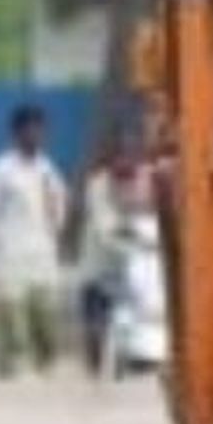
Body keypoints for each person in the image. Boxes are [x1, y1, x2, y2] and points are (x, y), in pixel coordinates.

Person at [0, 106, 68, 377]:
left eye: (40, 130)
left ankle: (46, 367)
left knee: (45, 319)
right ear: (16, 134)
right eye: (28, 130)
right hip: (8, 258)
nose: (35, 136)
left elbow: (59, 211)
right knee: (11, 318)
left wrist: (56, 226)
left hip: (42, 257)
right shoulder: (1, 170)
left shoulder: (48, 169)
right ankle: (9, 373)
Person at [78, 136, 155, 374]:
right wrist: (140, 236)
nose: (127, 164)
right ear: (111, 161)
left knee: (131, 327)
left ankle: (127, 364)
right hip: (98, 266)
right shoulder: (97, 186)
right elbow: (107, 229)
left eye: (132, 158)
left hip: (132, 269)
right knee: (95, 331)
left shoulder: (145, 179)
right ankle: (94, 372)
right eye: (122, 158)